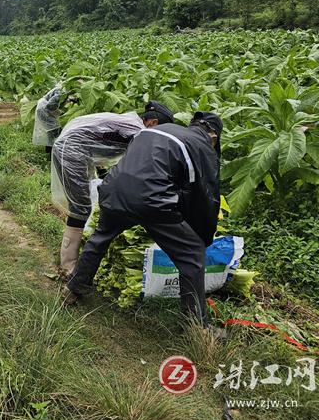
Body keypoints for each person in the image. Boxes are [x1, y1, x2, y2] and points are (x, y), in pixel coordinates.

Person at [64, 111, 223, 326]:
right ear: (213, 137)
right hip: (151, 200)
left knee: (100, 238)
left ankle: (73, 289)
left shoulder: (157, 131)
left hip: (114, 190)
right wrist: (202, 236)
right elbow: (205, 196)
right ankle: (197, 327)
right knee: (192, 254)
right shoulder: (201, 145)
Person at [51, 101, 174, 276]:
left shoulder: (129, 122)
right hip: (72, 152)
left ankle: (71, 259)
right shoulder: (137, 131)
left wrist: (104, 177)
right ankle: (68, 266)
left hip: (75, 150)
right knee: (81, 209)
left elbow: (100, 141)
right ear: (152, 123)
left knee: (82, 206)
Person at [32, 86, 62, 154]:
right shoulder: (61, 91)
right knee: (55, 131)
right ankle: (53, 153)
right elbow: (50, 105)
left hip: (43, 109)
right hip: (44, 110)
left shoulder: (62, 88)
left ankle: (50, 152)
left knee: (51, 132)